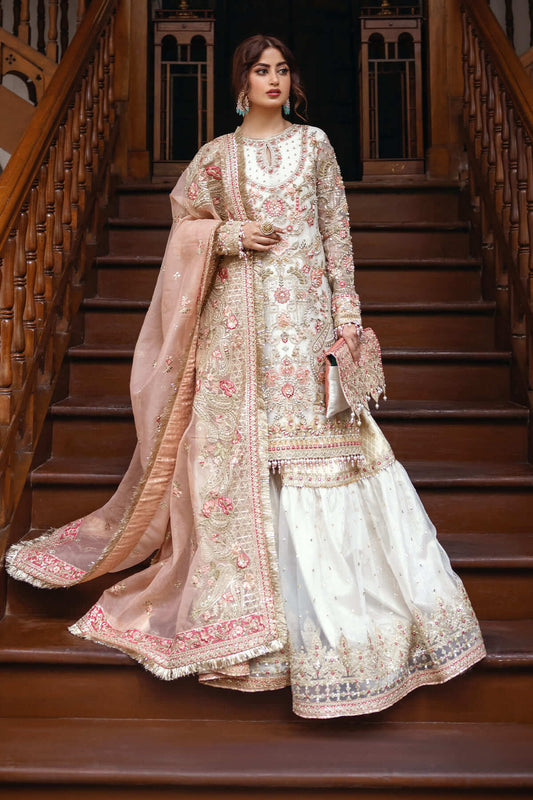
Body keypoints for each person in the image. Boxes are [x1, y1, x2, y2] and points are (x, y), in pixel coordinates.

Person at [6, 34, 485, 718]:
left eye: (282, 70)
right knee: (248, 460)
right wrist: (225, 238)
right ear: (241, 80)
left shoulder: (314, 145)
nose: (273, 80)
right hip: (237, 333)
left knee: (323, 460)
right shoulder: (214, 159)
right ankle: (251, 626)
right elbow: (185, 227)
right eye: (260, 70)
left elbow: (335, 235)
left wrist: (346, 322)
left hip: (307, 326)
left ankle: (338, 633)